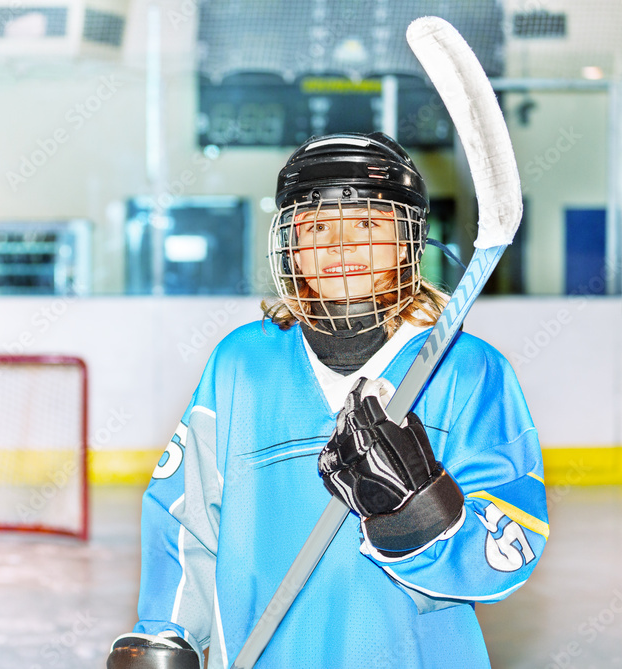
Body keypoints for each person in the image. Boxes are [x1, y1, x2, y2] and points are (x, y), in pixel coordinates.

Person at [106, 132, 548, 668]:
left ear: (407, 240)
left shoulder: (467, 370)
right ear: (291, 246)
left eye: (366, 223)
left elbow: (511, 542)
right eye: (316, 226)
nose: (340, 246)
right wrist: (165, 633)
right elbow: (185, 514)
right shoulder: (242, 364)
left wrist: (419, 514)